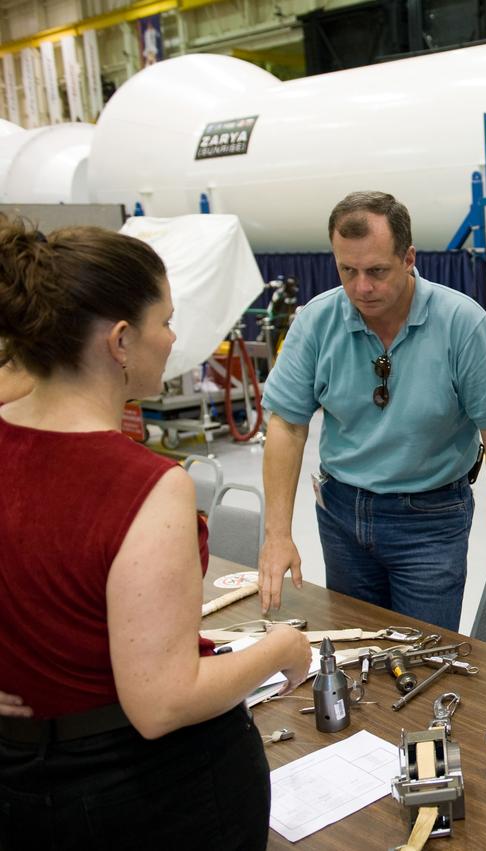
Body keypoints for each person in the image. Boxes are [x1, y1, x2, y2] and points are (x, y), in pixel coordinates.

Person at [0, 220, 311, 849]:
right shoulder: (144, 486)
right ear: (119, 342)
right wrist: (278, 650)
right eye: (165, 321)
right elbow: (163, 703)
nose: (173, 339)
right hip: (139, 793)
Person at [259, 191, 486, 630]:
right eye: (347, 271)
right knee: (355, 649)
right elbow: (287, 425)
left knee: (421, 655)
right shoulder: (318, 321)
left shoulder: (461, 324)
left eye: (376, 271)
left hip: (431, 521)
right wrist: (277, 534)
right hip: (340, 514)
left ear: (409, 257)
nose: (361, 287)